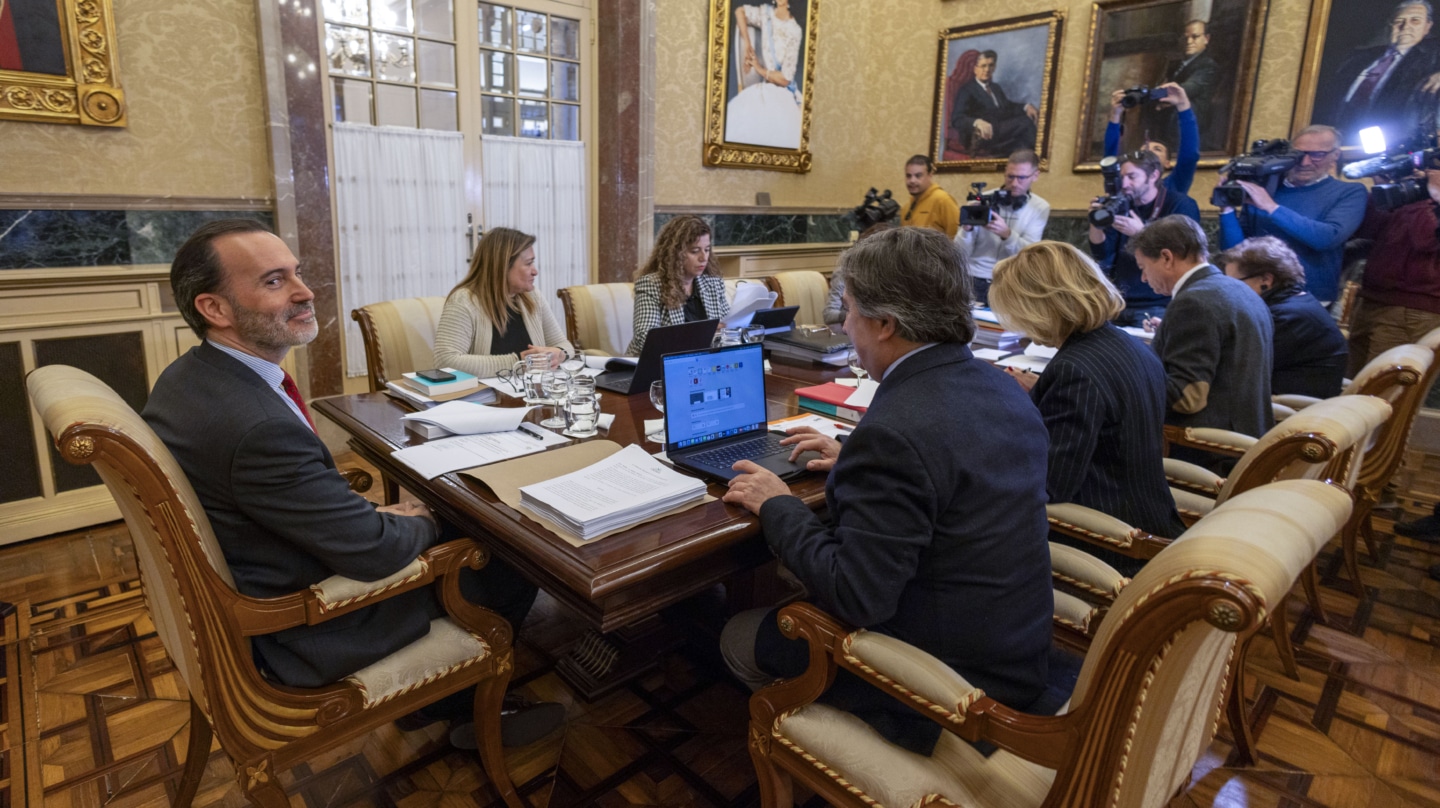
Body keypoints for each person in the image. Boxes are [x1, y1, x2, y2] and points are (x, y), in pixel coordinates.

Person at [142, 220, 561, 748]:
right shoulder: (256, 427)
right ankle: (463, 709)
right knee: (511, 554)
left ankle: (440, 698)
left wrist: (382, 518)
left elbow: (303, 504)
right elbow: (371, 553)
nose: (305, 292)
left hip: (276, 559)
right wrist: (424, 520)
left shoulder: (192, 377)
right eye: (274, 281)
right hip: (311, 626)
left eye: (297, 273)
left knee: (464, 519)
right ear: (215, 309)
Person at [718, 226, 1056, 757]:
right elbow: (948, 471)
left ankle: (828, 747)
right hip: (1017, 645)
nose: (845, 324)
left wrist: (777, 502)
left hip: (945, 688)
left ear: (885, 324)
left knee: (735, 636)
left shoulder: (896, 431)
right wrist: (855, 461)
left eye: (849, 310)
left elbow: (858, 595)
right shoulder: (999, 385)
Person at [990, 242, 1185, 576]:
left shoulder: (1074, 370)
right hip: (1148, 511)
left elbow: (1051, 484)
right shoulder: (1126, 344)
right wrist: (1042, 394)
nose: (1020, 327)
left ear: (1041, 306)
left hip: (1108, 540)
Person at [1132, 216, 1274, 440]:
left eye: (1143, 267)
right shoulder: (1240, 289)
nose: (1143, 278)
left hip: (1205, 447)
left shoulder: (1193, 302)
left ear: (1166, 258)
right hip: (1248, 434)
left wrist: (1126, 375)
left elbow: (1185, 398)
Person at [1218, 125, 1369, 305]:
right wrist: (1226, 210)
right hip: (1254, 296)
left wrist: (1272, 208)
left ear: (1334, 155)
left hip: (1308, 299)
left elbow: (1326, 238)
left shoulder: (1349, 192)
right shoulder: (1267, 189)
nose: (1304, 162)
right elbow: (1234, 251)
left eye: (1317, 154)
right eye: (1297, 154)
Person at [432, 227, 575, 378]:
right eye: (528, 263)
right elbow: (445, 362)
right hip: (487, 398)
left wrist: (558, 354)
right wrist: (519, 362)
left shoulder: (532, 296)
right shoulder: (464, 301)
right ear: (503, 266)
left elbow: (565, 345)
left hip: (531, 393)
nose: (535, 271)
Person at [1216, 236, 1348, 398]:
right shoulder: (1295, 303)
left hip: (1288, 408)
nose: (1230, 291)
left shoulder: (1288, 317)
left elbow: (1236, 367)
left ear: (1266, 279)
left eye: (1235, 283)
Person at [1089, 148, 1201, 326]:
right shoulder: (1121, 203)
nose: (1124, 184)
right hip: (1116, 301)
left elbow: (1184, 252)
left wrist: (1141, 233)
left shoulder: (1180, 204)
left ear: (1154, 175)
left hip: (1156, 304)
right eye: (1122, 177)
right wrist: (1096, 222)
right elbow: (1101, 252)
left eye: (1132, 177)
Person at [1348, 169, 1440, 376]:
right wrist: (1386, 192)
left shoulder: (1430, 195)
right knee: (1353, 385)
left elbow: (1427, 240)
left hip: (1412, 308)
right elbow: (1367, 230)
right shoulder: (1411, 193)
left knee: (1380, 390)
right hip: (1373, 298)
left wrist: (1428, 194)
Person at [1324, 1, 1440, 149]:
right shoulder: (1357, 58)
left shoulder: (1433, 57)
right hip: (1338, 143)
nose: (1405, 27)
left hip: (1393, 147)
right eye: (1399, 21)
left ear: (1427, 26)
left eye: (1415, 21)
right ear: (1390, 25)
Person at [956, 149, 1050, 305]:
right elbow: (960, 253)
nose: (1014, 183)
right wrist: (967, 231)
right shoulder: (983, 200)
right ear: (1005, 172)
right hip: (973, 278)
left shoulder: (1040, 207)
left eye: (1021, 178)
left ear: (1035, 175)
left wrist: (1007, 234)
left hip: (1010, 282)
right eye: (1010, 177)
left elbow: (1031, 255)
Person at [627, 215, 729, 356]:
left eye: (707, 249)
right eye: (695, 251)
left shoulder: (713, 283)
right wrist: (700, 334)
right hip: (657, 364)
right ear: (675, 253)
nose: (703, 258)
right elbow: (644, 339)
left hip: (702, 362)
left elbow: (726, 327)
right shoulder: (651, 285)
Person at [725, 0, 804, 150]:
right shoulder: (766, 14)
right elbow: (739, 12)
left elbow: (786, 79)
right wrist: (748, 45)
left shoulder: (795, 30)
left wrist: (759, 69)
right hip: (765, 86)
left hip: (782, 91)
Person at [1105, 83, 1200, 196]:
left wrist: (1183, 105)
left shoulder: (1174, 184)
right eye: (1145, 148)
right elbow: (1109, 158)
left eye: (1157, 149)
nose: (1149, 150)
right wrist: (1115, 114)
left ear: (1167, 163)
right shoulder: (1124, 183)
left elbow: (1189, 156)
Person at [949, 49, 1039, 158]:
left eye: (990, 65)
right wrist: (977, 122)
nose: (987, 70)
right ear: (975, 69)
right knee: (1025, 123)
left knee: (1024, 140)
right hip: (980, 135)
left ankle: (1018, 158)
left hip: (999, 130)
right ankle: (1038, 158)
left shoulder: (995, 88)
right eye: (983, 66)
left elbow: (1007, 107)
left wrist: (1026, 107)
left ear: (994, 67)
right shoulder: (967, 90)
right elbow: (957, 119)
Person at [900, 155, 960, 238]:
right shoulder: (906, 207)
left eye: (918, 176)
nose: (912, 181)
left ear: (930, 175)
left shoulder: (943, 200)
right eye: (908, 176)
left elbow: (957, 238)